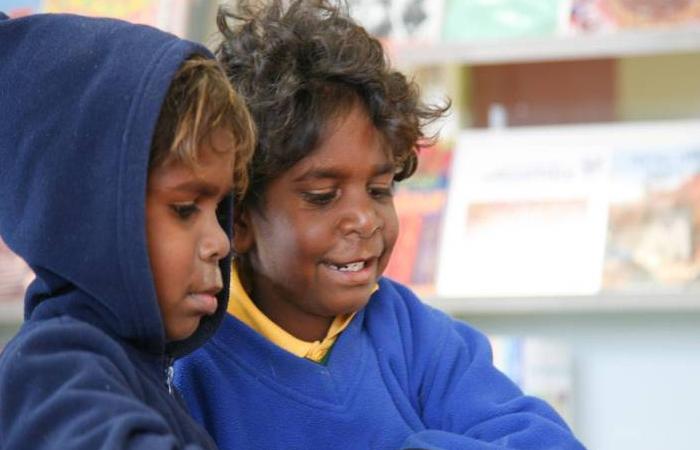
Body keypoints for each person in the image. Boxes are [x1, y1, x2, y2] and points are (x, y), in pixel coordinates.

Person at [174, 1, 586, 449]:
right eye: (322, 197)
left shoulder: (417, 337)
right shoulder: (190, 361)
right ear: (239, 220)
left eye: (380, 189)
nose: (366, 220)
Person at [0, 11, 254, 450]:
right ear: (89, 208)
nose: (221, 242)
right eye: (184, 208)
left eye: (219, 210)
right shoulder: (54, 377)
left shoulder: (132, 367)